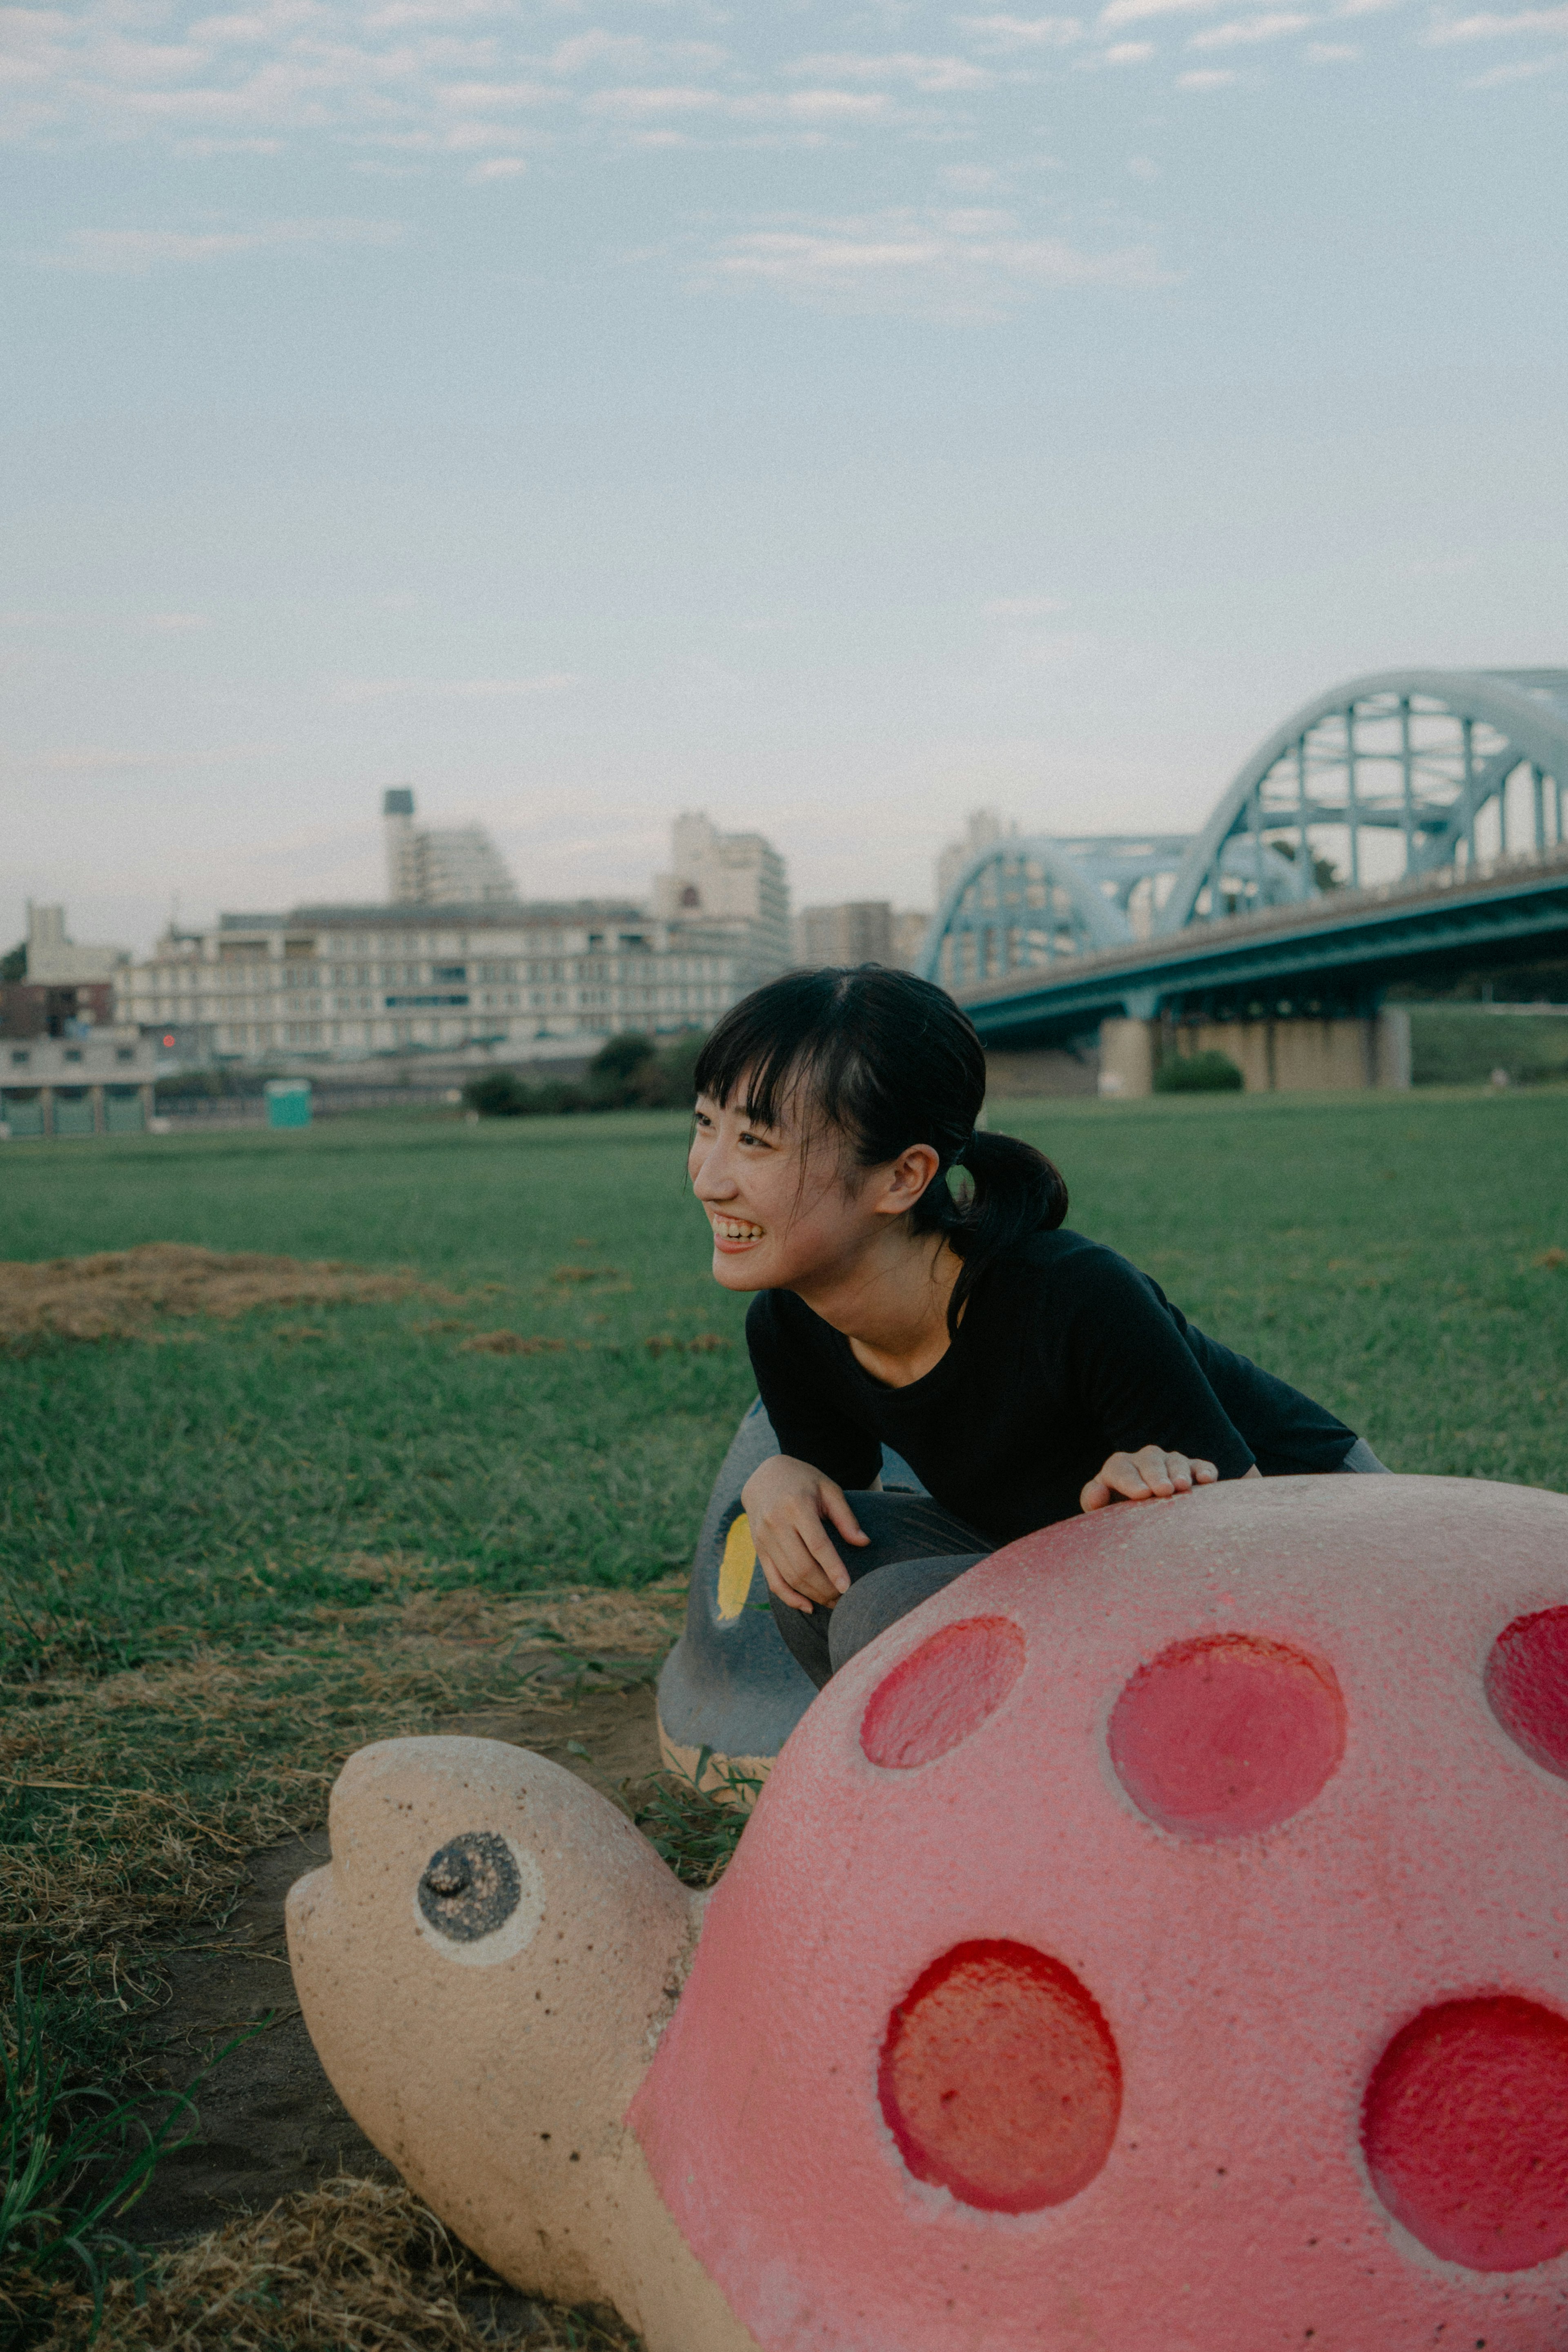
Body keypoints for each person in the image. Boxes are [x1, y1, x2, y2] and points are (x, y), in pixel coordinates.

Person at [687, 964, 1388, 1692]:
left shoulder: (1065, 1294)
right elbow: (846, 1508)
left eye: (757, 1143)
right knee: (822, 1562)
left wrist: (1145, 1504)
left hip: (1308, 1530)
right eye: (707, 1125)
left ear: (903, 1178)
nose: (710, 1177)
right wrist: (777, 1480)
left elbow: (1244, 1542)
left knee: (894, 1617)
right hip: (1071, 1554)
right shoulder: (788, 1325)